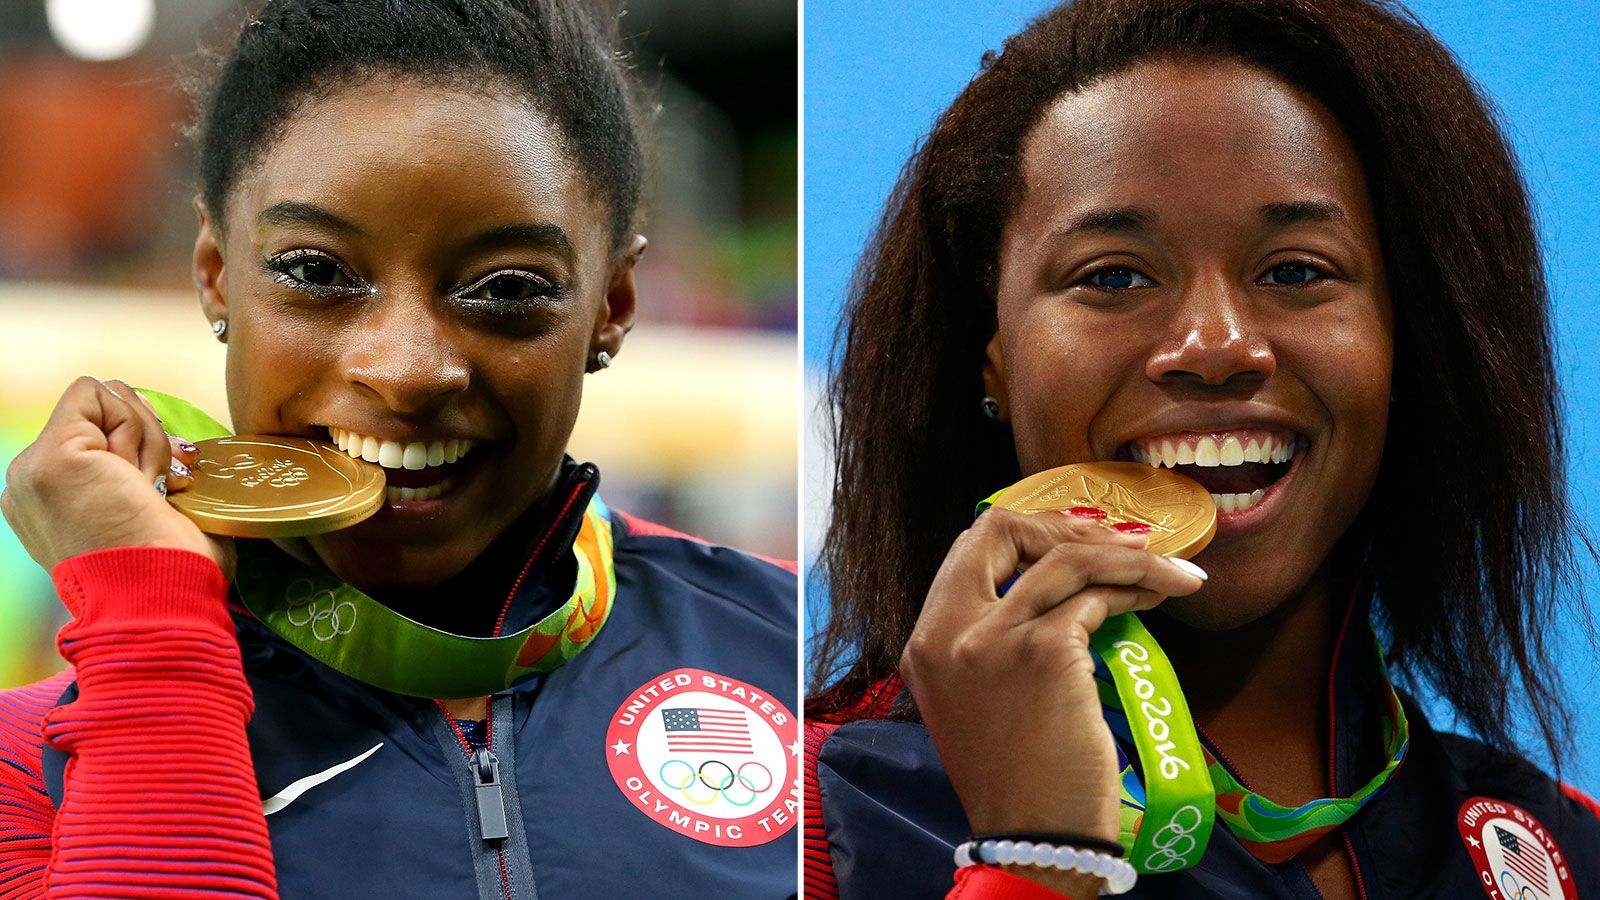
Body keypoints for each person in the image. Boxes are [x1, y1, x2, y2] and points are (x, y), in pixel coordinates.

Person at [0, 1, 799, 897]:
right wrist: (153, 631)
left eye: (507, 288)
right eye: (315, 271)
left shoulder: (803, 665)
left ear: (611, 306)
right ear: (218, 276)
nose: (409, 372)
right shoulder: (24, 768)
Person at [803, 1, 1600, 898]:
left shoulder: (1561, 851)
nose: (1217, 346)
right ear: (991, 359)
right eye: (1113, 276)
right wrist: (1034, 862)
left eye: (1297, 270)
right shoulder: (821, 824)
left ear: (1405, 344)